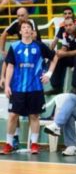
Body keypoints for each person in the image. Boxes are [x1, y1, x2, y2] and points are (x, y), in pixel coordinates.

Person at [2, 20, 59, 155]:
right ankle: (9, 143)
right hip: (18, 88)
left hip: (35, 88)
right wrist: (7, 86)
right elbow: (10, 66)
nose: (26, 29)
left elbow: (55, 57)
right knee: (12, 116)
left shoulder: (39, 46)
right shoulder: (14, 46)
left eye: (29, 27)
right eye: (24, 27)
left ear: (32, 31)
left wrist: (49, 74)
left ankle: (34, 144)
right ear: (20, 31)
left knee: (34, 116)